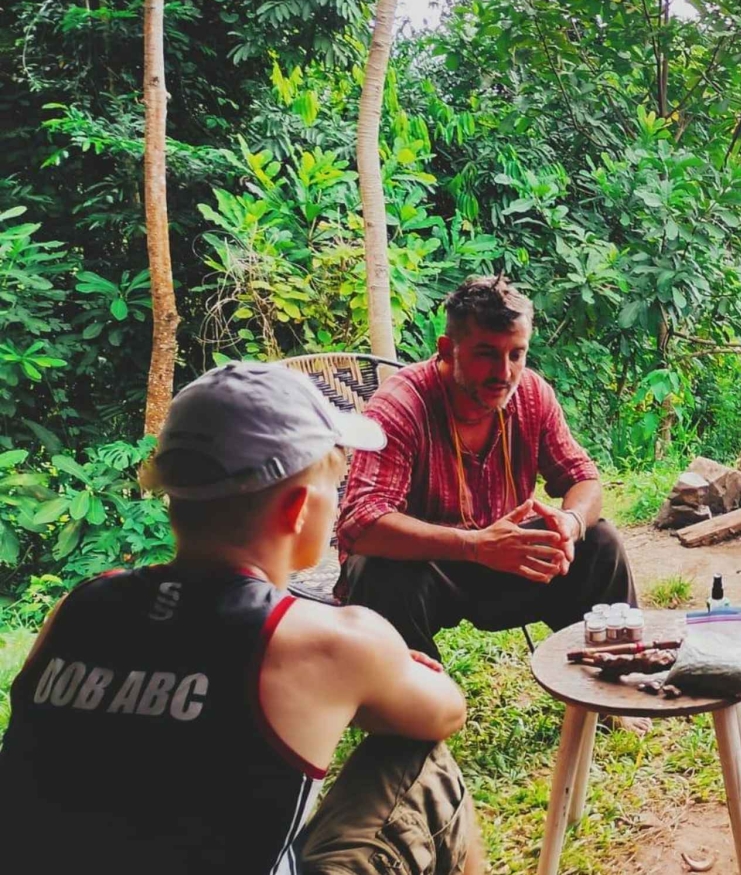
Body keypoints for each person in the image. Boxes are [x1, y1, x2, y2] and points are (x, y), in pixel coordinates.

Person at [0, 363, 482, 875]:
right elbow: (446, 712)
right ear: (297, 510)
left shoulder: (77, 608)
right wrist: (376, 670)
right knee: (423, 765)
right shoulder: (328, 641)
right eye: (333, 488)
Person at [336, 275, 636, 660]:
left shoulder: (531, 394)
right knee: (375, 572)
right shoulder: (401, 406)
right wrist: (476, 546)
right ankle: (412, 708)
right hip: (428, 567)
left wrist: (571, 523)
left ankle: (614, 683)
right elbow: (360, 524)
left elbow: (583, 476)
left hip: (507, 559)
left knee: (600, 543)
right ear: (447, 350)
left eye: (516, 354)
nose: (504, 372)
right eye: (485, 354)